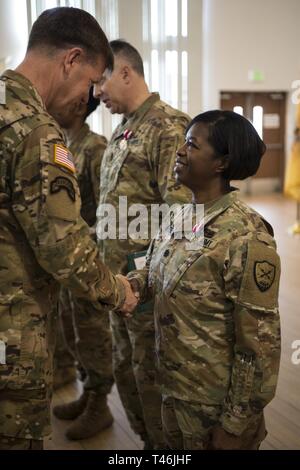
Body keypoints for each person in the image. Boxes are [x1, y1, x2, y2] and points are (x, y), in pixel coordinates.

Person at [0, 8, 137, 451]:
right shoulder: (36, 133)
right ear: (70, 60)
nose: (90, 96)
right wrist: (118, 291)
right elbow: (62, 247)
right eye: (90, 81)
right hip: (12, 329)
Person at [128, 110, 281, 450]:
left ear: (221, 163)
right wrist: (129, 287)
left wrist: (236, 423)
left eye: (192, 145)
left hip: (212, 407)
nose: (180, 152)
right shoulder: (181, 215)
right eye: (184, 142)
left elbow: (259, 344)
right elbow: (153, 271)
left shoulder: (246, 234)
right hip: (174, 390)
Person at [93, 39, 191, 449]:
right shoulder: (124, 127)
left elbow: (183, 218)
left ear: (125, 73)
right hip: (119, 284)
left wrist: (147, 279)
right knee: (128, 372)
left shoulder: (168, 127)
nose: (96, 93)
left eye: (100, 82)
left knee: (152, 378)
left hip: (147, 288)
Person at [52, 88, 115, 440]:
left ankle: (99, 404)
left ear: (77, 106)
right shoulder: (61, 146)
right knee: (72, 329)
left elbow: (106, 213)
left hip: (89, 259)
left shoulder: (95, 149)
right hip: (67, 259)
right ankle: (87, 392)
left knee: (92, 333)